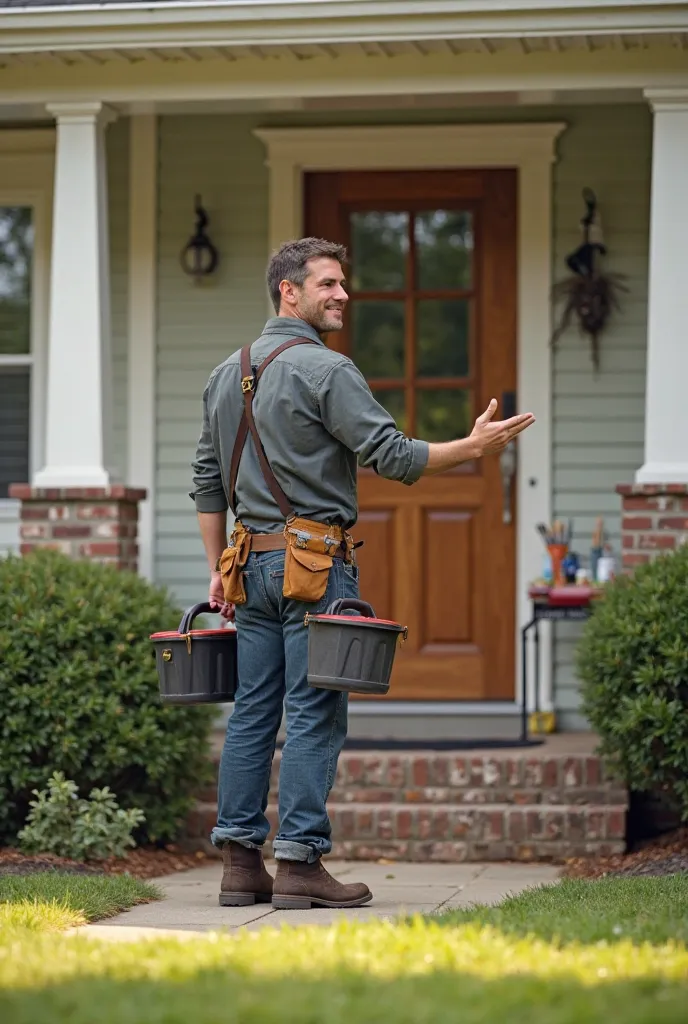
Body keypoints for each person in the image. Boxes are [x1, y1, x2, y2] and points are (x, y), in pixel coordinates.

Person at [191, 237, 535, 911]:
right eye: (328, 284)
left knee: (254, 711)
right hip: (317, 568)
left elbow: (207, 481)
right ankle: (298, 862)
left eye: (342, 283)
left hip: (247, 567)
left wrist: (215, 570)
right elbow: (392, 456)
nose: (343, 294)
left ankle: (240, 865)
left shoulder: (223, 374)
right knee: (315, 711)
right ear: (290, 292)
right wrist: (474, 446)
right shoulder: (326, 371)